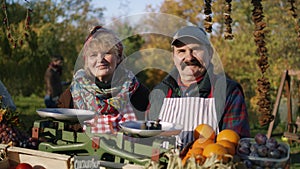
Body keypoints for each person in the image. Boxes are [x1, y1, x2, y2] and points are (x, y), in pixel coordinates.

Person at [148, 26, 250, 147]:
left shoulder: (228, 91)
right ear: (173, 57)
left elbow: (234, 145)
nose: (189, 57)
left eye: (196, 49)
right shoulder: (160, 92)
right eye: (181, 51)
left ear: (210, 53)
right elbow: (148, 141)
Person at [57, 26, 149, 134]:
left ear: (118, 57)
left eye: (107, 53)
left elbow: (150, 130)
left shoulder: (137, 91)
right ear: (86, 61)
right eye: (93, 55)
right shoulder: (72, 94)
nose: (100, 59)